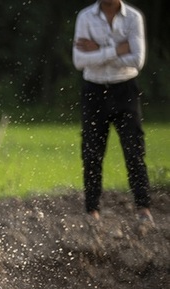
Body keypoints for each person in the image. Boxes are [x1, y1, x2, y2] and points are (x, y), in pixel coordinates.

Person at [73, 0, 153, 226]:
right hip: (94, 89)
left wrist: (97, 51)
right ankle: (92, 211)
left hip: (124, 88)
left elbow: (137, 60)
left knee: (134, 150)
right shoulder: (85, 17)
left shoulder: (133, 18)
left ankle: (143, 207)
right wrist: (118, 49)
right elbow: (80, 60)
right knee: (91, 152)